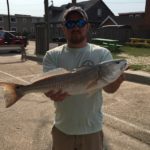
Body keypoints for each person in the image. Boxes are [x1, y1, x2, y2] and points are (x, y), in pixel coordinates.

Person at [43, 6, 125, 150]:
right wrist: (50, 93)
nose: (75, 27)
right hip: (63, 130)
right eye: (70, 24)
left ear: (87, 27)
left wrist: (116, 80)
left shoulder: (102, 54)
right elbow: (47, 86)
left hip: (92, 131)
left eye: (80, 23)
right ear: (63, 28)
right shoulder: (52, 55)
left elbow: (109, 89)